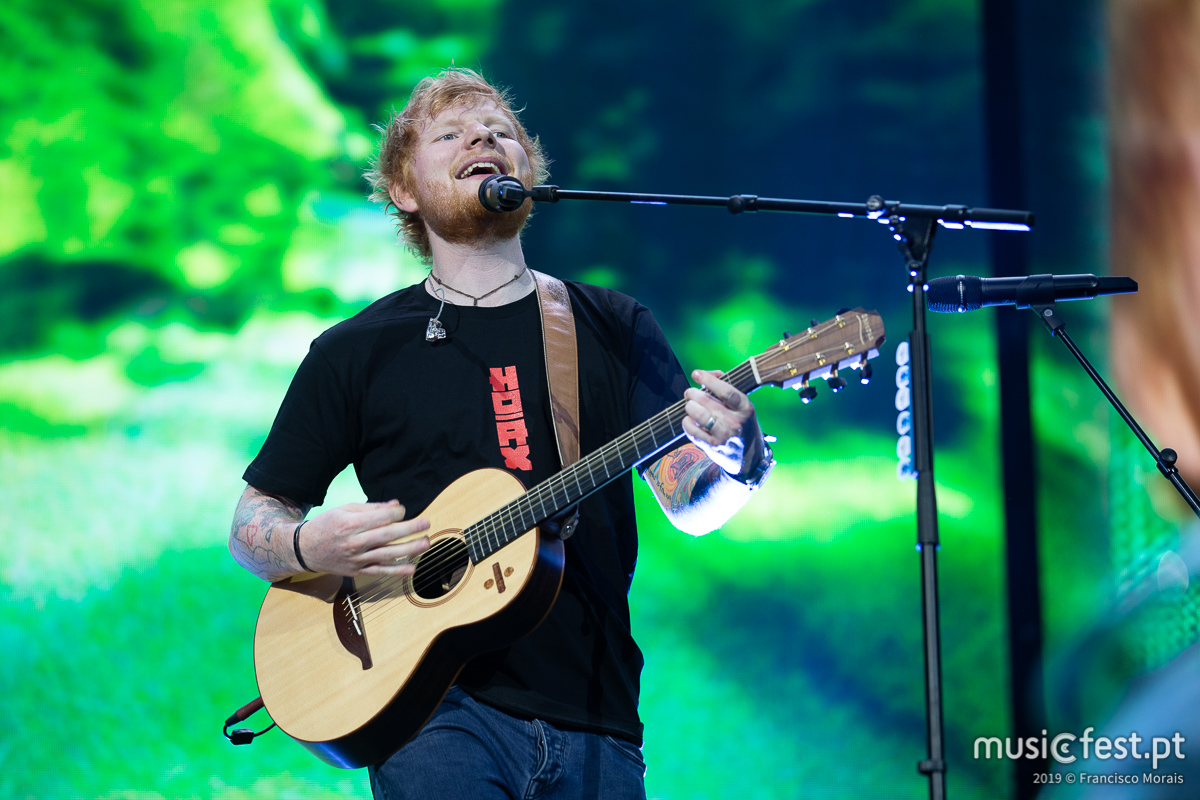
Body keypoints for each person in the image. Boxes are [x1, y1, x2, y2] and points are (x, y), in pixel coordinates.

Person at [228, 67, 774, 800]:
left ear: (526, 173)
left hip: (597, 712)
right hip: (433, 713)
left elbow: (689, 502)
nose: (484, 137)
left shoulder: (611, 325)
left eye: (500, 131)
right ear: (404, 191)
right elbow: (252, 522)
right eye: (451, 134)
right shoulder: (355, 350)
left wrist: (740, 460)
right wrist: (307, 546)